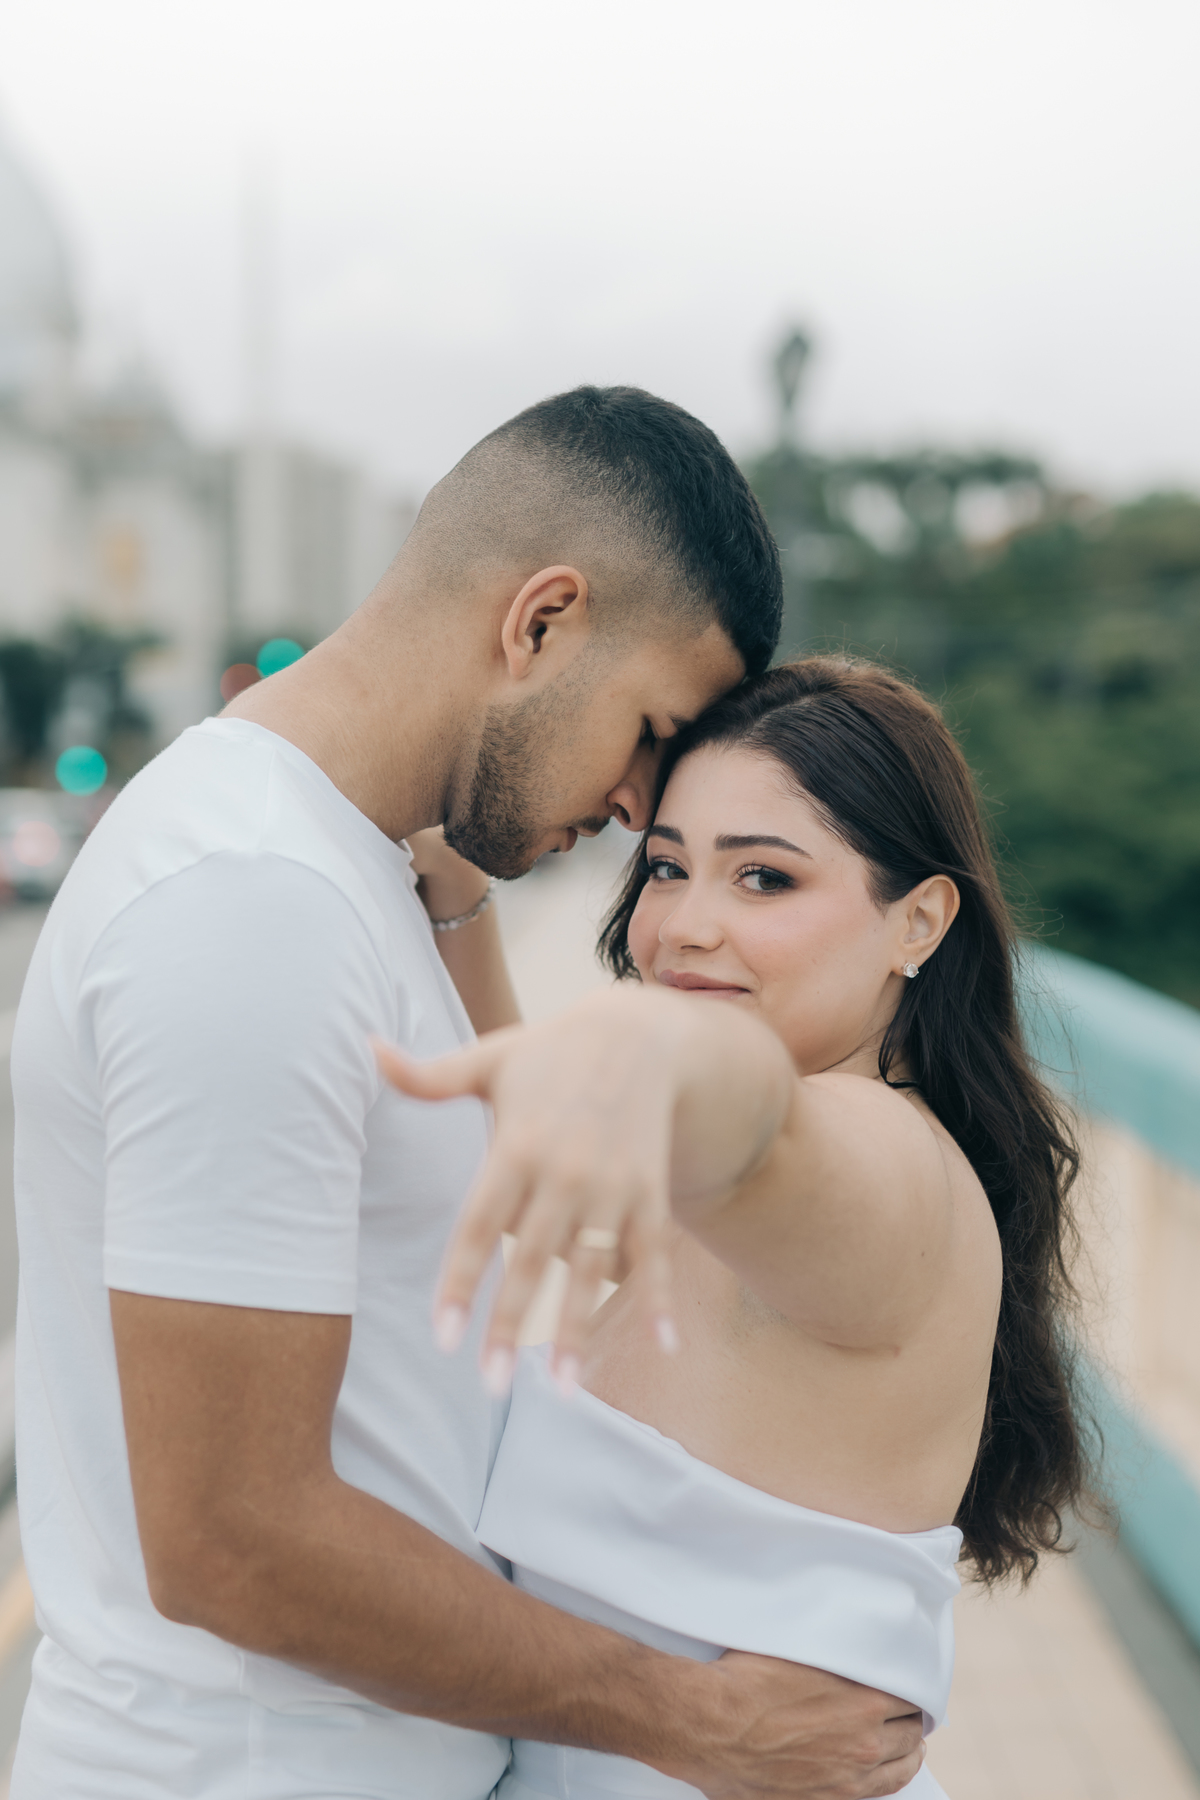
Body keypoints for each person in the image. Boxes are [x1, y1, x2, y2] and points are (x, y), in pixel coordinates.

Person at [10, 391, 928, 1799]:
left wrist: (463, 914)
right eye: (648, 733)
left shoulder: (352, 874)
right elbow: (232, 1537)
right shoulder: (253, 903)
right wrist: (688, 1719)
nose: (638, 807)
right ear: (541, 622)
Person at [378, 656, 1094, 1800]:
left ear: (919, 920)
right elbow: (584, 1149)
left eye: (764, 880)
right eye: (666, 869)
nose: (686, 928)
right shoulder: (724, 1224)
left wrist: (669, 1049)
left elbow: (756, 1127)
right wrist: (459, 900)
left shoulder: (891, 1174)